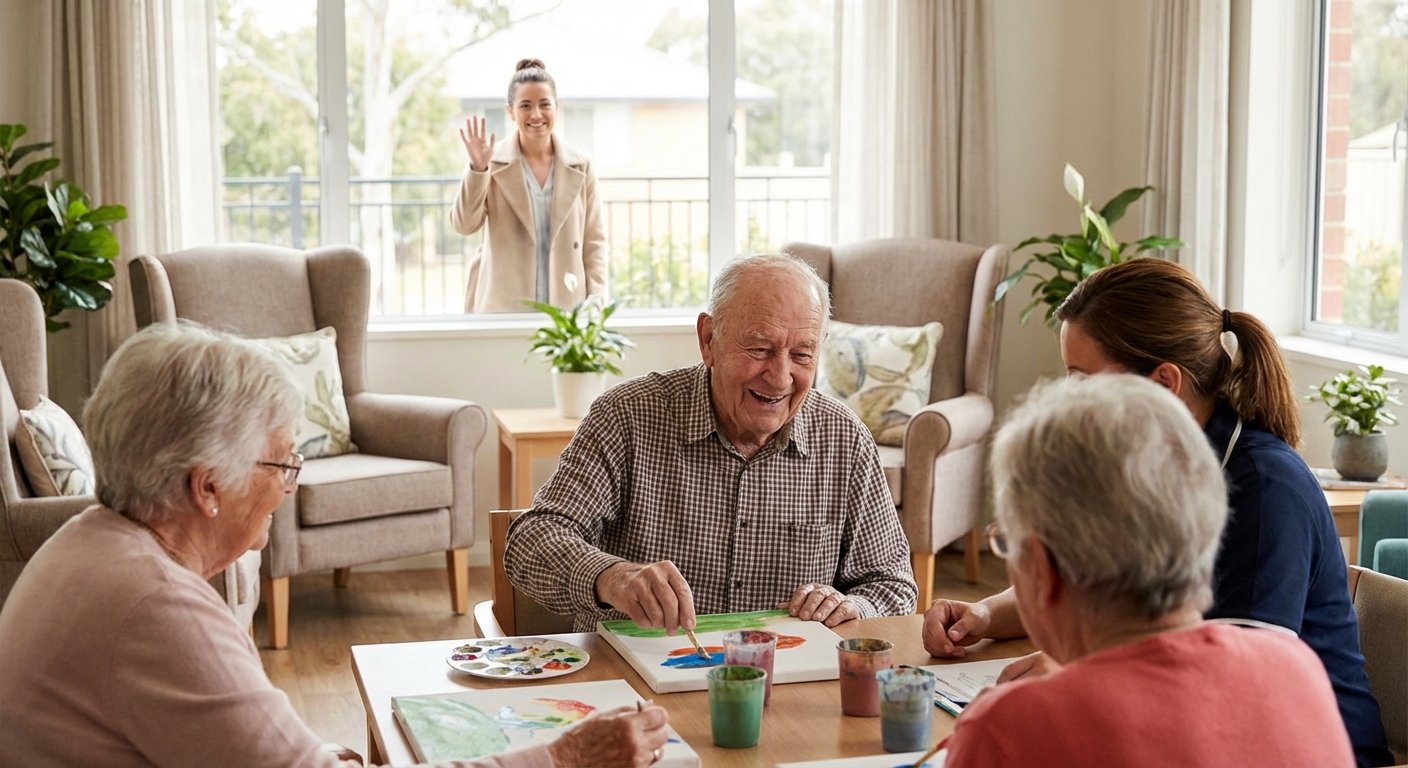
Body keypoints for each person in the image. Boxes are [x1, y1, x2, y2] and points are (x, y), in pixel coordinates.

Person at [0, 323, 668, 768]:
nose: (292, 485)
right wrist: (563, 758)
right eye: (282, 464)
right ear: (207, 487)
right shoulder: (154, 606)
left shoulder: (91, 542)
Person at [923, 257, 1393, 766]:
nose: (1070, 398)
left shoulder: (1262, 484)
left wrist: (1072, 682)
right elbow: (1088, 577)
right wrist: (988, 613)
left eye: (1082, 379)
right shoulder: (1136, 462)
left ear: (1165, 383)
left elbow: (1222, 695)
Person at [941, 374, 1353, 766]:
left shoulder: (1014, 729)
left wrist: (984, 736)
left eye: (1006, 545)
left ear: (1042, 569)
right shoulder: (1295, 668)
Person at [505, 253, 917, 633]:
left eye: (802, 355)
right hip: (633, 686)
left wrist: (854, 606)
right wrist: (611, 578)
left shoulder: (844, 439)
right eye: (759, 349)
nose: (779, 377)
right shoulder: (627, 417)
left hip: (782, 688)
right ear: (708, 340)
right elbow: (531, 541)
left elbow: (893, 584)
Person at [450, 58, 607, 313]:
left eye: (545, 104)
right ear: (510, 111)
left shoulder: (581, 165)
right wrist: (478, 169)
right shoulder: (492, 161)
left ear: (557, 107)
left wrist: (597, 298)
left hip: (567, 309)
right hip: (504, 306)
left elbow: (594, 241)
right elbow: (464, 225)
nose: (536, 114)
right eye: (525, 105)